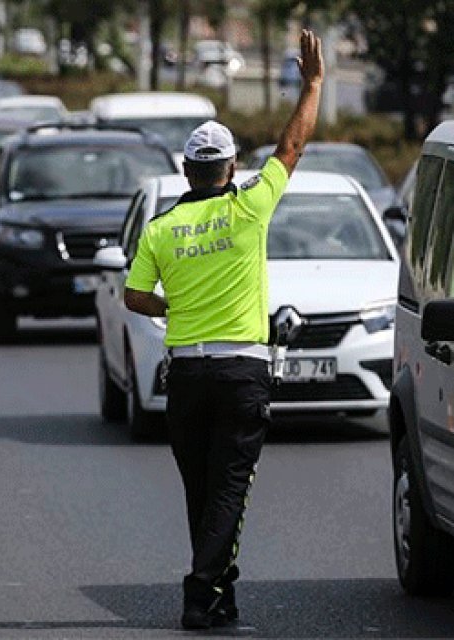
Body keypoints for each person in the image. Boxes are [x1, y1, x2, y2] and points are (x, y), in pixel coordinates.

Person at [123, 29, 325, 630]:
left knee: (203, 490)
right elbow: (291, 145)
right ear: (232, 167)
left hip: (185, 373)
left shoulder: (161, 229)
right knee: (230, 489)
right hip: (242, 371)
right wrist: (312, 84)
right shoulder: (249, 207)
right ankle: (198, 591)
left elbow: (134, 296)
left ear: (187, 170)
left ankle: (219, 594)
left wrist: (172, 307)